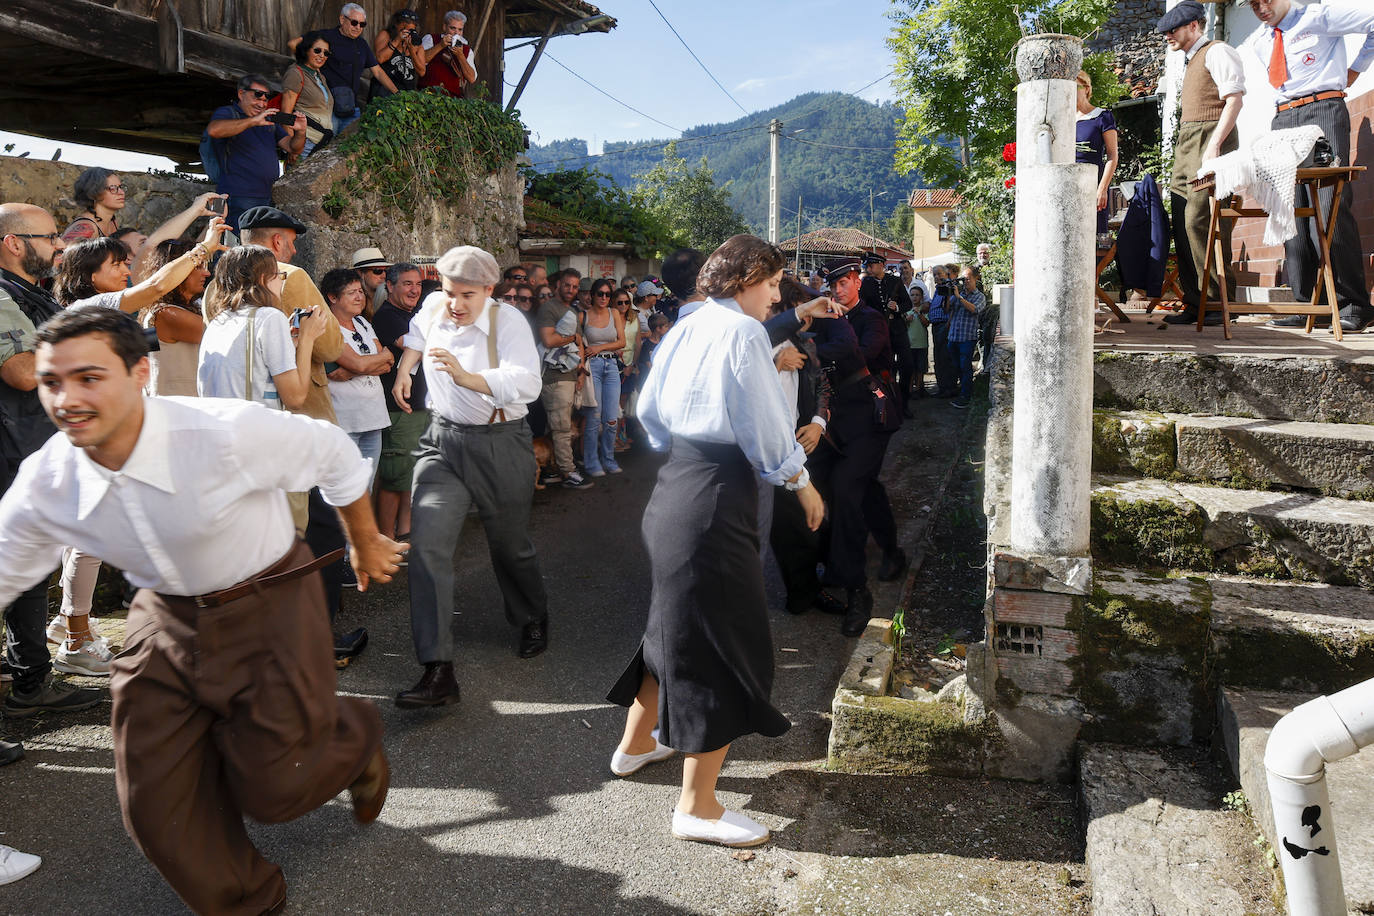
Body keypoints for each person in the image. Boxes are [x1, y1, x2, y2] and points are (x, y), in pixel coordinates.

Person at [0, 306, 404, 915]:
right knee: (155, 805)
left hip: (267, 598)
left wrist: (365, 540)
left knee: (278, 785)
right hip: (161, 616)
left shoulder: (222, 432)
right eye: (52, 382)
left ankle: (349, 741)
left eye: (89, 378)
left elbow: (333, 453)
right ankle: (247, 902)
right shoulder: (48, 478)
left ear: (140, 373)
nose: (68, 400)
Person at [606, 235, 824, 849]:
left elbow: (649, 409)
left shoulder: (689, 323)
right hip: (716, 497)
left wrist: (685, 449)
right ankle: (698, 807)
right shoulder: (742, 332)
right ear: (747, 278)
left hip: (676, 485)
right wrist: (801, 482)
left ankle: (636, 745)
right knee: (722, 641)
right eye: (773, 284)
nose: (776, 297)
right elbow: (764, 423)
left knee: (672, 628)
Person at [391, 246, 549, 708]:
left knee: (510, 546)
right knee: (427, 548)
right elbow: (418, 333)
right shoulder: (434, 305)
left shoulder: (508, 322)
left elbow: (528, 383)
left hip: (500, 442)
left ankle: (532, 615)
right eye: (449, 292)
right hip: (441, 443)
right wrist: (405, 369)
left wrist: (468, 378)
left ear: (489, 290)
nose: (455, 304)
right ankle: (437, 669)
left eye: (467, 295)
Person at [0, 203, 104, 733]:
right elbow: (21, 372)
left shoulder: (27, 292)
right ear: (13, 242)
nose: (60, 245)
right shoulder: (2, 294)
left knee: (31, 565)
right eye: (49, 236)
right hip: (11, 450)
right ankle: (29, 681)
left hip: (27, 448)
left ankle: (29, 677)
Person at [1243, 0, 1374, 333]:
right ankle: (1308, 306)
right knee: (1290, 212)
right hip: (1283, 118)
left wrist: (1355, 69)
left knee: (1330, 207)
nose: (1261, 8)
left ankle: (1354, 304)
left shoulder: (1318, 16)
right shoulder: (1261, 41)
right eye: (1253, 3)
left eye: (1266, 0)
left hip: (1322, 109)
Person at [808, 258, 905, 637]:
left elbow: (857, 355)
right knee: (851, 486)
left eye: (844, 284)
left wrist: (813, 348)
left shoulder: (871, 319)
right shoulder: (825, 319)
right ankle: (886, 552)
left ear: (857, 282)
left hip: (871, 416)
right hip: (834, 421)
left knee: (848, 488)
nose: (838, 291)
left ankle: (856, 588)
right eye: (832, 286)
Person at [1157, 2, 1245, 327]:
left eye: (1173, 29)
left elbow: (1234, 100)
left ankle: (1219, 303)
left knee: (1202, 219)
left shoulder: (1217, 51)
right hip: (1188, 141)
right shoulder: (1191, 59)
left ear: (1194, 25)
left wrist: (1215, 146)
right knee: (1182, 220)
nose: (1167, 35)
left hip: (1209, 139)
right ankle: (1196, 303)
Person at [768, 278, 843, 618]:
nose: (808, 319)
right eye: (800, 311)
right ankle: (801, 595)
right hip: (772, 453)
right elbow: (743, 394)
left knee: (815, 521)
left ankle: (812, 586)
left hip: (805, 446)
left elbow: (823, 386)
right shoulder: (757, 345)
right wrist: (774, 364)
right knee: (789, 531)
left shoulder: (807, 343)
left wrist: (817, 423)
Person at [197, 245, 329, 411]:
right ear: (262, 279)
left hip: (218, 422)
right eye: (279, 275)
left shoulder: (218, 322)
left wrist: (289, 342)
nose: (282, 282)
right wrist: (307, 338)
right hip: (254, 423)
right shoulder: (270, 318)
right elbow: (295, 398)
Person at [205, 75, 307, 230]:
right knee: (223, 239)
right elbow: (214, 130)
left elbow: (293, 148)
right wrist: (253, 121)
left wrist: (300, 132)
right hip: (232, 195)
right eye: (257, 96)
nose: (262, 103)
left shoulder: (269, 121)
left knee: (252, 243)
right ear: (241, 94)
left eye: (266, 98)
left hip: (265, 197)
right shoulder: (228, 112)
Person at [373, 261, 426, 540]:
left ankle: (405, 533)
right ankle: (387, 539)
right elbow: (414, 345)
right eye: (407, 284)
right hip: (399, 409)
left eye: (418, 284)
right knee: (395, 478)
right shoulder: (386, 316)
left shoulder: (415, 314)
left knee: (410, 476)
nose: (414, 290)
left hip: (417, 406)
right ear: (390, 286)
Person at [321, 268, 392, 473]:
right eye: (352, 292)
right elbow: (356, 366)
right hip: (345, 421)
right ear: (333, 297)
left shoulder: (362, 322)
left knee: (367, 481)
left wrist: (353, 368)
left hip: (374, 417)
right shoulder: (328, 327)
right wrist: (365, 364)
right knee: (344, 482)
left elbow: (387, 362)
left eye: (361, 291)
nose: (359, 297)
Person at [288, 4, 400, 134]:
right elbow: (293, 44)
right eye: (354, 22)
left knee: (349, 144)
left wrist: (397, 93)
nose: (358, 27)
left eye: (362, 24)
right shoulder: (325, 37)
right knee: (324, 143)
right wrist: (310, 65)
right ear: (342, 19)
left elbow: (378, 72)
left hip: (351, 108)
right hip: (327, 108)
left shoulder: (362, 44)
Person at [537, 267, 591, 488]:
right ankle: (568, 472)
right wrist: (572, 337)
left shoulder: (572, 311)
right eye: (567, 285)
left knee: (559, 426)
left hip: (569, 376)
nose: (571, 289)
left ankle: (554, 469)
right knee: (561, 428)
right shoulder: (549, 308)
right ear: (558, 285)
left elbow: (579, 344)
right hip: (554, 378)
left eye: (575, 287)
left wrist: (580, 371)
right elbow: (549, 340)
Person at [140, 240, 211, 398]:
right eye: (198, 267)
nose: (206, 273)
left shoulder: (158, 311)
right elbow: (219, 334)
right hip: (177, 407)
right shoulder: (163, 314)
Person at [577, 278, 627, 476]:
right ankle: (591, 462)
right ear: (593, 295)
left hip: (611, 365)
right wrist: (581, 369)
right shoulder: (583, 316)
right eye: (600, 293)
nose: (604, 297)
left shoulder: (614, 313)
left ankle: (608, 459)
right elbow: (578, 343)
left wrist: (600, 347)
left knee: (612, 418)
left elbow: (622, 342)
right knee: (593, 418)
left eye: (608, 294)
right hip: (593, 368)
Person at [859, 254, 914, 417]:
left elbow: (908, 303)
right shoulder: (866, 283)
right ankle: (888, 405)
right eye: (868, 266)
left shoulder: (895, 281)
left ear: (882, 265)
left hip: (897, 330)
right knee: (883, 370)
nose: (869, 268)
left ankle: (904, 403)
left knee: (907, 365)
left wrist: (897, 308)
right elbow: (862, 305)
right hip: (879, 332)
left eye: (872, 265)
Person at [1074, 72, 1120, 239]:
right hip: (1069, 185)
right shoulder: (1062, 120)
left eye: (1075, 87)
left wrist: (1102, 189)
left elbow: (1112, 155)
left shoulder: (1102, 117)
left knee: (1095, 237)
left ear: (1086, 88)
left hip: (1093, 184)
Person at [281, 32, 337, 158]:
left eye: (326, 53)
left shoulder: (319, 76)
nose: (322, 55)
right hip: (304, 143)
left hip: (321, 143)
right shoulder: (295, 73)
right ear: (306, 50)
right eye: (317, 50)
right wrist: (291, 147)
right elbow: (286, 113)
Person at [947, 266, 984, 408]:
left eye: (968, 279)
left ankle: (966, 396)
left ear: (975, 279)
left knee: (965, 367)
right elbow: (947, 309)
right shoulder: (959, 293)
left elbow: (975, 309)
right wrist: (947, 295)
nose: (965, 282)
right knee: (957, 366)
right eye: (963, 279)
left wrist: (959, 297)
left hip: (967, 338)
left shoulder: (979, 296)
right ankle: (963, 390)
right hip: (954, 336)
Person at [420, 10, 477, 98]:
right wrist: (440, 45)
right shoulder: (431, 39)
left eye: (460, 29)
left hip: (452, 99)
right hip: (427, 96)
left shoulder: (466, 50)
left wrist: (460, 55)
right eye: (453, 28)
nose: (456, 33)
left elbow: (472, 78)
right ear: (444, 27)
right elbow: (419, 61)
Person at [371, 9, 426, 100]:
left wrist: (412, 50)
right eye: (404, 29)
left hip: (406, 94)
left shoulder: (417, 45)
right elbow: (380, 59)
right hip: (383, 91)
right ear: (396, 25)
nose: (407, 32)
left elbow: (422, 72)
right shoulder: (386, 35)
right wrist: (397, 40)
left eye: (411, 30)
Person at [61, 167, 126, 243]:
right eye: (113, 188)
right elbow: (64, 250)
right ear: (95, 192)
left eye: (120, 187)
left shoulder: (112, 221)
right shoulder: (85, 227)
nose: (122, 192)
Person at [926, 264, 958, 397]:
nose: (937, 277)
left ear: (946, 274)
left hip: (944, 326)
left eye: (939, 274)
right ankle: (942, 387)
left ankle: (949, 388)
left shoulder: (949, 287)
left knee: (945, 357)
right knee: (938, 358)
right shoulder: (939, 288)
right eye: (934, 275)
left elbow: (949, 308)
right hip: (936, 326)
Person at [351, 246, 392, 316]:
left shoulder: (392, 299)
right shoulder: (352, 303)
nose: (384, 276)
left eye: (386, 271)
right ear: (360, 273)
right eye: (377, 271)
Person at [905, 285, 930, 398]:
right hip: (909, 344)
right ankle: (909, 390)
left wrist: (919, 313)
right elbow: (902, 325)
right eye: (912, 295)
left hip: (922, 344)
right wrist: (906, 320)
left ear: (921, 297)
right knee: (910, 369)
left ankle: (919, 389)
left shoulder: (924, 309)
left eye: (917, 295)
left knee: (920, 368)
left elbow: (926, 323)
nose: (914, 297)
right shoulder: (906, 310)